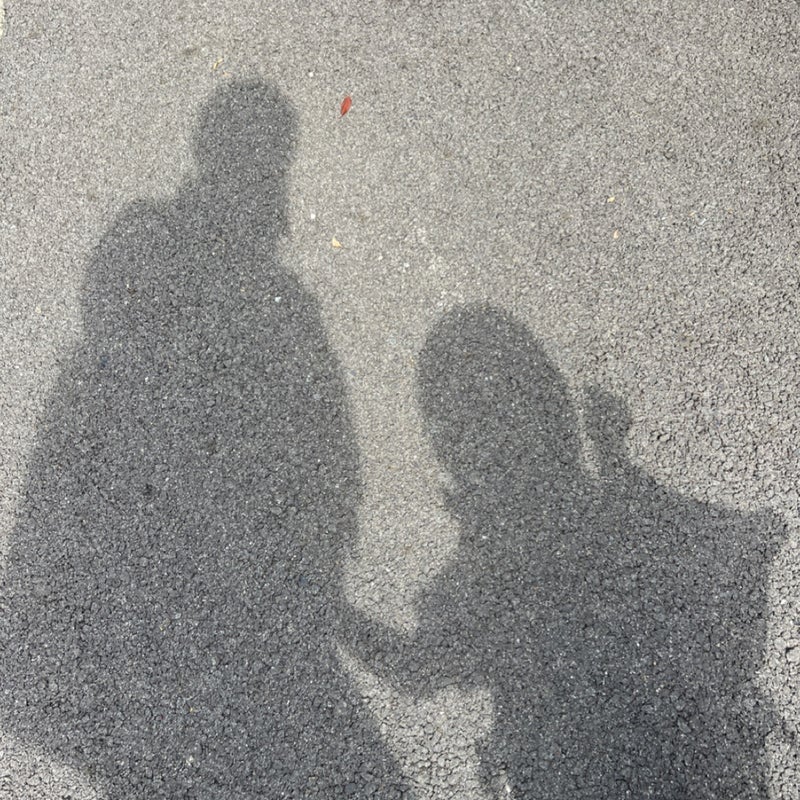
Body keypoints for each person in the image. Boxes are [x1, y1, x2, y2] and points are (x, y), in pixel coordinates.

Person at [1, 81, 406, 799]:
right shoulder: (267, 301)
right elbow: (326, 467)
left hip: (167, 606)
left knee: (161, 759)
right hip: (203, 606)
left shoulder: (157, 256)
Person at [345, 303, 785, 798]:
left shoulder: (480, 583)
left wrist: (329, 612)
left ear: (452, 451)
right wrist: (616, 459)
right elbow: (743, 562)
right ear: (557, 412)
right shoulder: (622, 511)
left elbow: (416, 668)